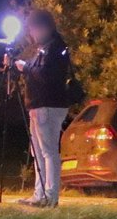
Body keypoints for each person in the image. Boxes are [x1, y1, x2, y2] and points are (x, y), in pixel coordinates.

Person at [11, 10, 77, 208]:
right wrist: (18, 65)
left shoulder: (56, 48)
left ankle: (50, 196)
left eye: (33, 30)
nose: (32, 34)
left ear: (44, 28)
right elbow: (35, 68)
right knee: (38, 152)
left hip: (48, 105)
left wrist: (25, 68)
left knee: (48, 152)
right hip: (39, 105)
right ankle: (40, 195)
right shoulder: (44, 48)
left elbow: (46, 75)